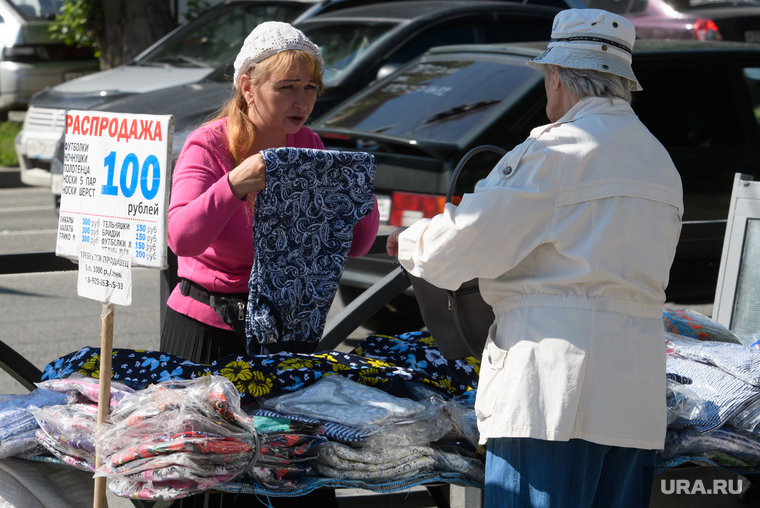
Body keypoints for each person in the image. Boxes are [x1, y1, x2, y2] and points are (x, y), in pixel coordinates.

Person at [387, 8, 683, 508]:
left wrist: (413, 242)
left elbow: (460, 248)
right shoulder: (658, 160)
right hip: (635, 390)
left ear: (558, 78)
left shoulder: (555, 151)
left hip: (553, 387)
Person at [161, 21, 380, 364]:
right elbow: (181, 240)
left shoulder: (310, 144)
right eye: (287, 87)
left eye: (310, 88)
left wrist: (359, 189)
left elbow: (356, 245)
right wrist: (233, 185)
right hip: (207, 329)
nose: (301, 101)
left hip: (283, 330)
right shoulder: (208, 143)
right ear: (248, 87)